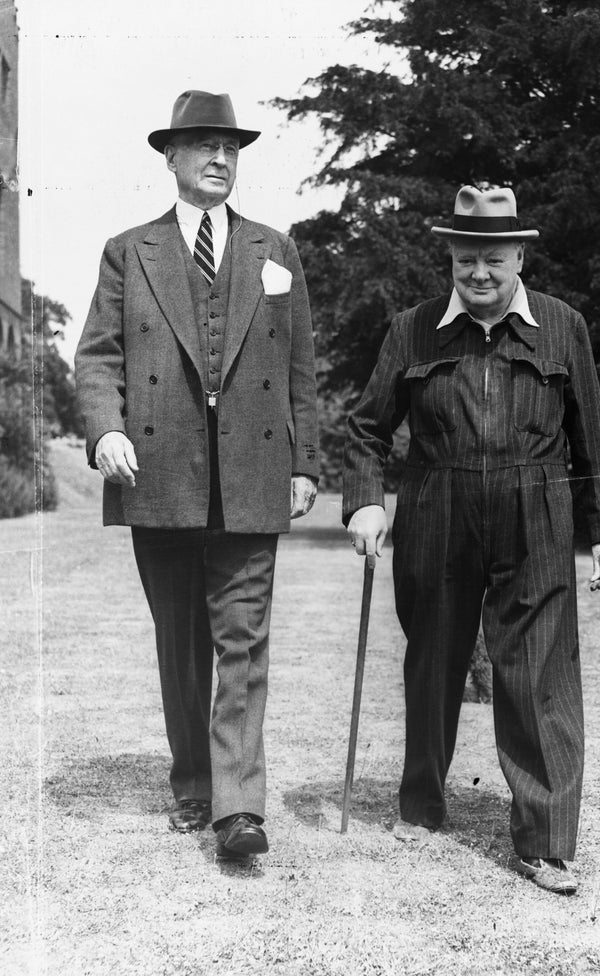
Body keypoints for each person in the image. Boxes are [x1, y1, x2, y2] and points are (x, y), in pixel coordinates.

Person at [342, 185, 600, 895]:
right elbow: (365, 430)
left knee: (539, 675)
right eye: (466, 258)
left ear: (519, 255)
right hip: (436, 506)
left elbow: (593, 437)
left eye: (493, 259)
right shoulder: (412, 330)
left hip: (538, 515)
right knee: (431, 661)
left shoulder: (563, 327)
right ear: (450, 256)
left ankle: (546, 842)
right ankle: (420, 803)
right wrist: (365, 506)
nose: (478, 273)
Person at [75, 90, 319, 859]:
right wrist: (106, 428)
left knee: (243, 643)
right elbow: (98, 356)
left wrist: (306, 461)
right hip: (160, 477)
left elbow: (303, 368)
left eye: (231, 148)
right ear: (172, 157)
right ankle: (193, 786)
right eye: (205, 146)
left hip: (252, 474)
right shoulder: (129, 250)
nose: (221, 159)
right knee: (181, 647)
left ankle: (239, 811)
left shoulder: (275, 251)